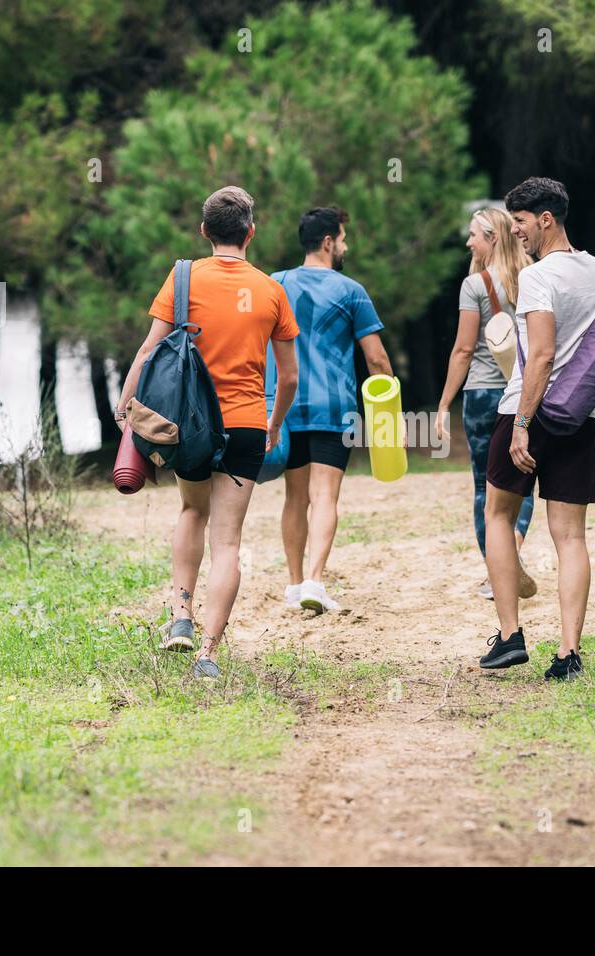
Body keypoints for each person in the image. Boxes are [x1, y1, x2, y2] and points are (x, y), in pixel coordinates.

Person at [116, 186, 298, 678]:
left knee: (191, 510)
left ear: (204, 231)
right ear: (251, 233)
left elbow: (149, 352)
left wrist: (125, 408)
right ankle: (209, 655)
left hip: (190, 425)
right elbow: (291, 377)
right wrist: (273, 424)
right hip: (244, 425)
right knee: (229, 542)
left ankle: (180, 618)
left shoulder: (183, 278)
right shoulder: (271, 289)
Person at [477, 177, 595, 681]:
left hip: (527, 411)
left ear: (546, 219)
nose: (518, 235)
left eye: (521, 224)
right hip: (582, 414)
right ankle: (569, 653)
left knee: (497, 514)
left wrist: (522, 427)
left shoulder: (538, 276)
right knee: (570, 536)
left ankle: (510, 636)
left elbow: (542, 357)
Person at [266, 207, 393, 612]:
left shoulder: (274, 284)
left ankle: (292, 583)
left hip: (285, 406)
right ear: (327, 243)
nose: (345, 245)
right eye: (342, 238)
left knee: (294, 497)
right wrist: (390, 413)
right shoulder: (351, 290)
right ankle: (315, 582)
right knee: (325, 497)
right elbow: (377, 361)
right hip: (334, 407)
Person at [435, 207, 537, 601]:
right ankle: (513, 545)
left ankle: (498, 571)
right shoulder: (532, 277)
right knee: (524, 477)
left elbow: (462, 350)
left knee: (485, 487)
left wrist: (444, 403)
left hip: (481, 396)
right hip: (524, 393)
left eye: (474, 235)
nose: (468, 242)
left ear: (493, 238)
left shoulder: (474, 285)